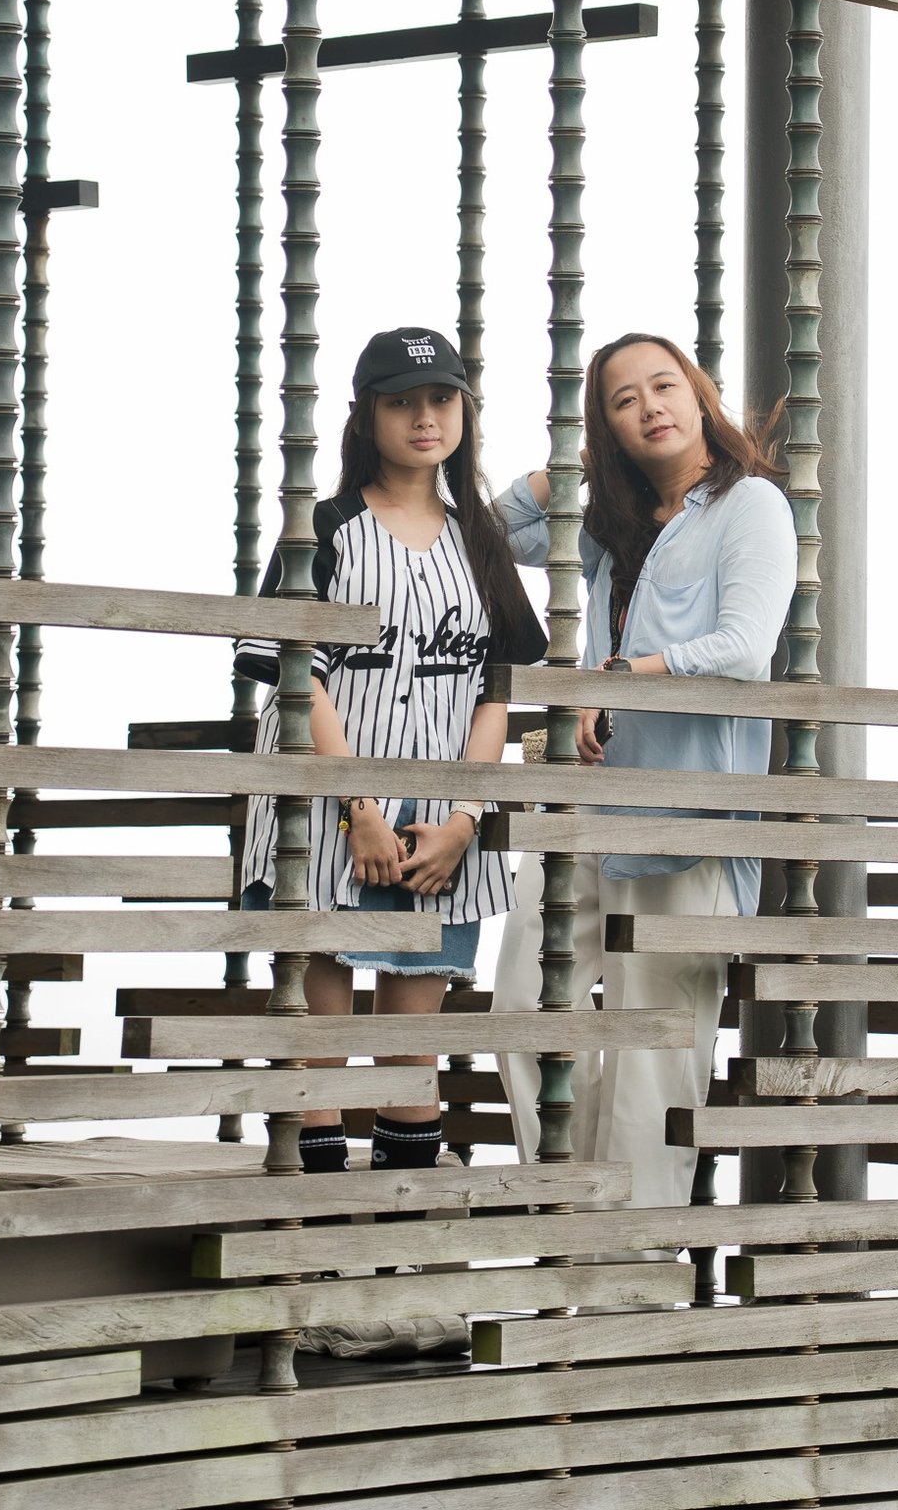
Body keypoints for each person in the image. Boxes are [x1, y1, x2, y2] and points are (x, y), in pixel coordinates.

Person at [492, 331, 796, 1207]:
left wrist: (621, 677)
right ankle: (575, 1208)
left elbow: (744, 647)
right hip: (587, 806)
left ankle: (631, 1268)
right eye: (624, 401)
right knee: (521, 1005)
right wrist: (572, 458)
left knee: (653, 1062)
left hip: (684, 821)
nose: (650, 407)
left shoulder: (750, 507)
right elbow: (496, 525)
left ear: (701, 397)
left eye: (664, 387)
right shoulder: (610, 526)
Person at [237, 326, 545, 1180]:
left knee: (412, 1050)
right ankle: (316, 1248)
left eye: (440, 398)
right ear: (365, 414)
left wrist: (463, 819)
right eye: (401, 401)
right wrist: (357, 810)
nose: (423, 417)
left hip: (440, 819)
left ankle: (397, 1247)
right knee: (323, 1042)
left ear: (463, 412)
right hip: (328, 809)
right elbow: (298, 682)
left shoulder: (477, 537)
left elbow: (496, 690)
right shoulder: (325, 527)